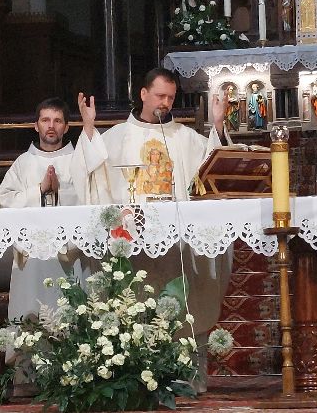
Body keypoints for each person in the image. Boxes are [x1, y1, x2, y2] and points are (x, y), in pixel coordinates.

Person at [73, 67, 232, 391]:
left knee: (183, 304)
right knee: (132, 302)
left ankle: (184, 377)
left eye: (171, 98)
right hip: (130, 245)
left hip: (175, 248)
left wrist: (217, 125)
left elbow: (213, 166)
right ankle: (134, 377)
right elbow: (90, 176)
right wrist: (88, 128)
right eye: (160, 96)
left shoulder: (184, 137)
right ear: (143, 94)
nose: (165, 103)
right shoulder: (116, 137)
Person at [0, 97, 93, 327]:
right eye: (45, 120)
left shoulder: (78, 160)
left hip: (69, 255)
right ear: (36, 125)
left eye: (58, 121)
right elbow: (6, 201)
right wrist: (39, 190)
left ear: (66, 127)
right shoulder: (23, 163)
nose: (51, 126)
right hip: (31, 257)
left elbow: (90, 199)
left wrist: (61, 192)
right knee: (30, 318)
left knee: (71, 317)